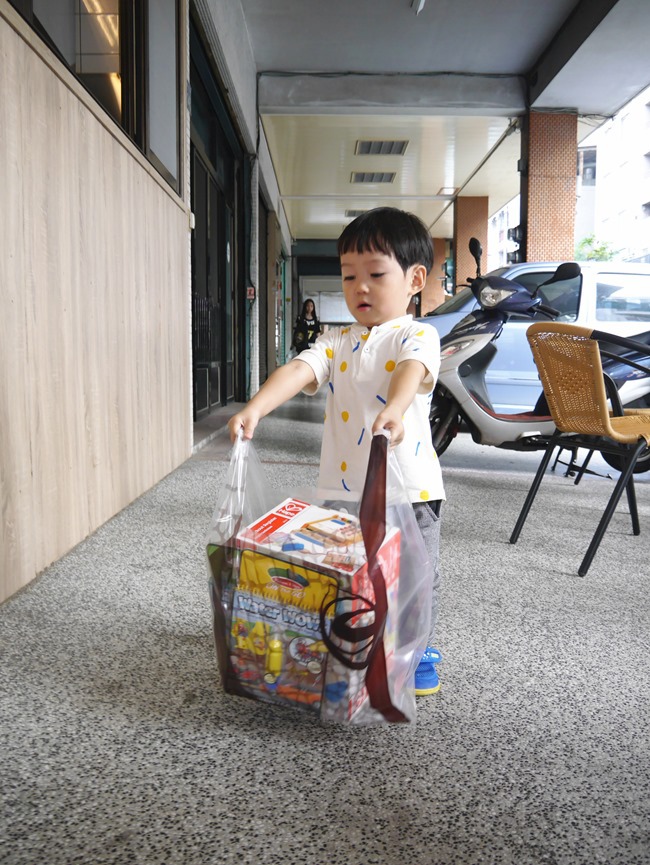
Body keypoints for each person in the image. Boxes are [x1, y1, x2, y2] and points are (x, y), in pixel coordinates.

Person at [228, 207, 445, 695]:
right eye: (349, 276)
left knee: (413, 575)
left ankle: (417, 649)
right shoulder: (337, 340)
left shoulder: (417, 334)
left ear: (415, 279)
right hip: (342, 490)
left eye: (374, 274)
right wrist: (257, 408)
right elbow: (298, 371)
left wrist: (396, 405)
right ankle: (353, 643)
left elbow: (412, 369)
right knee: (350, 572)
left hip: (409, 488)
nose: (359, 287)